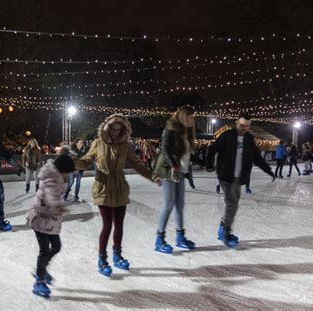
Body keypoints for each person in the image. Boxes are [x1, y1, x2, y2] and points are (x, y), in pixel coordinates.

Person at [74, 114, 161, 277]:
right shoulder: (98, 143)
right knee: (107, 225)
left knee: (119, 225)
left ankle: (117, 255)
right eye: (113, 129)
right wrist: (74, 162)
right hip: (103, 187)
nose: (115, 132)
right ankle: (102, 259)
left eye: (119, 130)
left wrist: (152, 176)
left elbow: (136, 164)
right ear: (107, 128)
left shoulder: (126, 145)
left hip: (120, 188)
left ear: (123, 130)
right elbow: (86, 161)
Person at [206, 114, 275, 248]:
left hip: (238, 178)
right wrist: (209, 164)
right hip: (225, 175)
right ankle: (226, 233)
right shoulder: (227, 135)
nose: (244, 128)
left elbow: (257, 157)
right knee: (232, 204)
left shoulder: (249, 139)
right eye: (241, 125)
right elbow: (213, 149)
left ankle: (222, 229)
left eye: (247, 126)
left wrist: (269, 171)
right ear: (237, 123)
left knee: (233, 205)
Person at [26, 153, 74, 299]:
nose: (69, 174)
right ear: (62, 169)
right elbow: (52, 196)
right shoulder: (51, 178)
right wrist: (61, 208)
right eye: (68, 171)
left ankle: (41, 269)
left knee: (57, 246)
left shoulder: (60, 176)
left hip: (51, 219)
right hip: (40, 218)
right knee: (44, 250)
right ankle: (38, 281)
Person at [153, 105, 197, 254]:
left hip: (180, 172)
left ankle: (180, 237)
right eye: (190, 117)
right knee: (169, 204)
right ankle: (159, 240)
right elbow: (165, 149)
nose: (193, 120)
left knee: (180, 204)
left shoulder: (187, 131)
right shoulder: (171, 128)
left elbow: (188, 154)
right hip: (168, 171)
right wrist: (174, 165)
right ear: (184, 116)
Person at [63, 138, 87, 202]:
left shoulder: (82, 152)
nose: (81, 144)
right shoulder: (72, 151)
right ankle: (65, 195)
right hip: (72, 170)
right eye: (80, 143)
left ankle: (76, 196)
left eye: (82, 143)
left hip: (80, 170)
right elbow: (70, 161)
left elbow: (83, 161)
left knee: (78, 183)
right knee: (70, 183)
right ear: (76, 143)